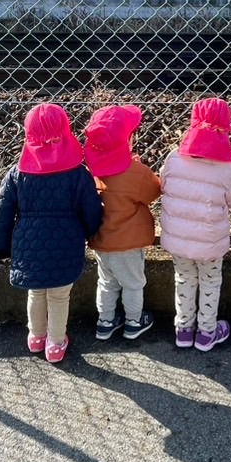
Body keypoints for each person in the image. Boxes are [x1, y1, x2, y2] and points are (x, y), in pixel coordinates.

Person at [0, 103, 103, 363]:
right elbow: (91, 209)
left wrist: (0, 245)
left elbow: (3, 211)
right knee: (59, 295)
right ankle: (55, 343)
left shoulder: (18, 173)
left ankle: (36, 336)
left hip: (28, 245)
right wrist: (91, 232)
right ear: (66, 130)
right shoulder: (77, 173)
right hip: (66, 243)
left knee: (36, 292)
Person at [159, 97, 231, 352]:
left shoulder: (174, 157)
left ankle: (184, 330)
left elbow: (164, 184)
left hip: (178, 237)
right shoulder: (230, 165)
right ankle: (207, 333)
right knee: (210, 281)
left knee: (184, 278)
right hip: (210, 240)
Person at [83, 104, 162, 342]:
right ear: (127, 139)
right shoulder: (137, 172)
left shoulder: (91, 170)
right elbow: (153, 192)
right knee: (133, 284)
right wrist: (138, 167)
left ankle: (105, 322)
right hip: (128, 242)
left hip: (102, 240)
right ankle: (134, 321)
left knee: (106, 283)